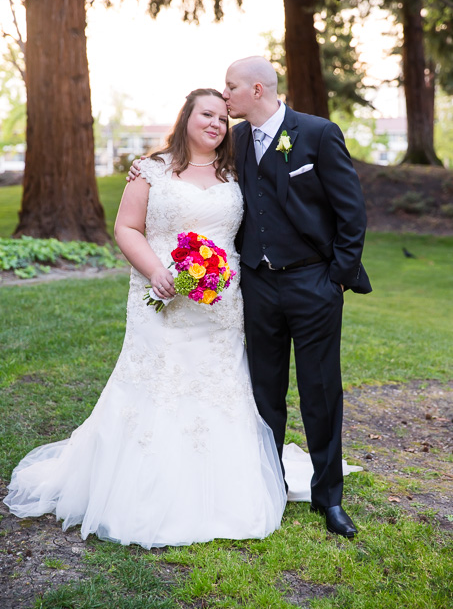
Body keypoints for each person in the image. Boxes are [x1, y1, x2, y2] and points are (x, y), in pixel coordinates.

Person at [4, 89, 287, 548]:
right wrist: (156, 271)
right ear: (187, 117)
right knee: (158, 384)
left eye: (222, 117)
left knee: (219, 385)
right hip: (160, 296)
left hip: (220, 306)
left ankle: (226, 490)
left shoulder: (237, 171)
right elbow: (126, 227)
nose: (215, 123)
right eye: (206, 114)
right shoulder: (153, 169)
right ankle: (144, 491)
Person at [129, 57, 371, 538]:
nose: (225, 98)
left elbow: (352, 213)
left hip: (313, 284)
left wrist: (336, 279)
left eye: (231, 89)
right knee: (263, 392)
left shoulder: (318, 134)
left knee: (321, 392)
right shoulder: (234, 143)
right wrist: (149, 166)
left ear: (256, 89)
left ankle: (329, 498)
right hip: (255, 287)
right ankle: (269, 484)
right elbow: (187, 167)